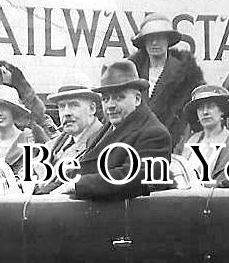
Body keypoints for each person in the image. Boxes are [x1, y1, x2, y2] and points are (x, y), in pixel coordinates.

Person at [52, 60, 171, 199]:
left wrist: (76, 185)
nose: (110, 105)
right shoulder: (110, 126)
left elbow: (133, 176)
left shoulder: (154, 134)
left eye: (118, 98)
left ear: (137, 99)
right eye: (106, 99)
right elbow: (84, 167)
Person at [127, 13, 204, 145]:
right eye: (149, 38)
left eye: (160, 38)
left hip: (172, 145)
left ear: (168, 40)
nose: (155, 43)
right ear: (144, 42)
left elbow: (195, 118)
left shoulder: (187, 75)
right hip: (135, 144)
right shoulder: (132, 72)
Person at [33, 82, 105, 194]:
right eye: (61, 106)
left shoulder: (102, 143)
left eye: (74, 105)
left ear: (92, 109)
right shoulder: (54, 145)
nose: (66, 113)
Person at [171, 85, 229, 187]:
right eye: (200, 108)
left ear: (222, 111)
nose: (205, 112)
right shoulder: (187, 141)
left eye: (211, 106)